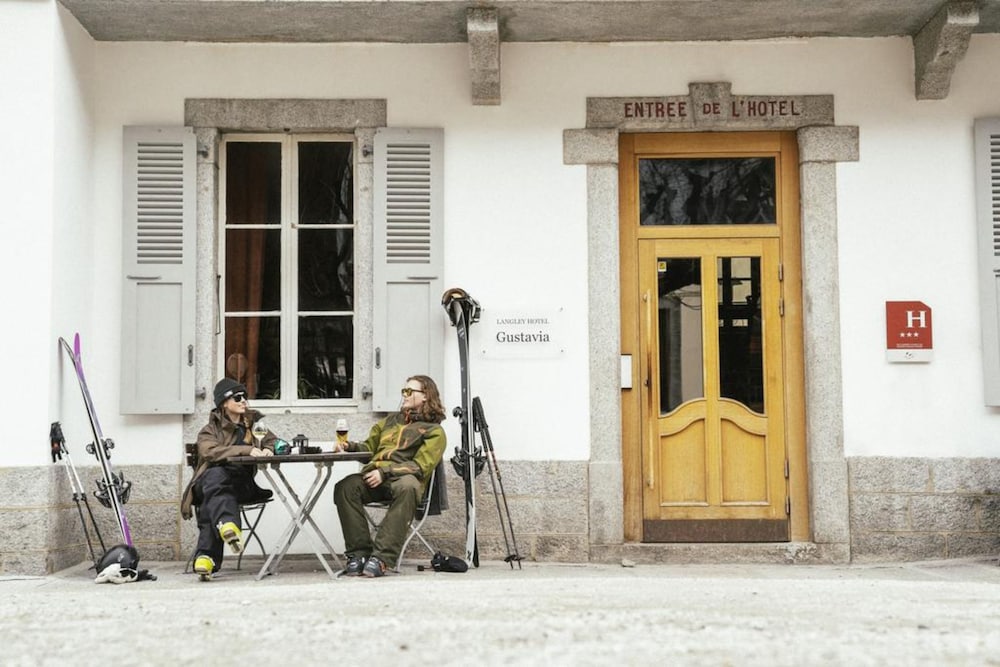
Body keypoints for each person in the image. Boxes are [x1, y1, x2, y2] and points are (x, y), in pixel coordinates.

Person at [333, 374, 447, 577]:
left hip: (402, 480)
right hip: (375, 477)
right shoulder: (388, 422)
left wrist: (385, 472)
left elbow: (420, 466)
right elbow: (369, 448)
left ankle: (382, 558)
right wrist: (349, 447)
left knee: (409, 486)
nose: (404, 395)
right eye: (404, 390)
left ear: (425, 396)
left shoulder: (434, 431)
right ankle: (359, 554)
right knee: (346, 487)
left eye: (410, 391)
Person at [180, 378, 276, 581]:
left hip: (242, 485)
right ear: (224, 403)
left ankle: (207, 555)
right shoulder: (210, 430)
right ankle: (227, 525)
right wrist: (248, 449)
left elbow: (275, 441)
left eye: (245, 397)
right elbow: (209, 451)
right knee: (215, 478)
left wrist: (269, 448)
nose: (244, 401)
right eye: (238, 397)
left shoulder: (254, 425)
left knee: (212, 495)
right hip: (214, 483)